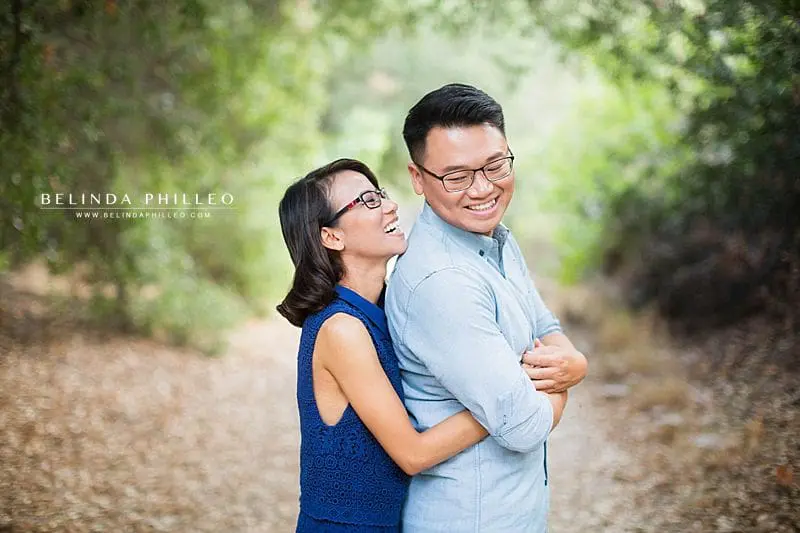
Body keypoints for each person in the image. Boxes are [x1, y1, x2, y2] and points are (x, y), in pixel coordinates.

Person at [385, 83, 588, 532]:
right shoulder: (442, 282)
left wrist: (574, 363)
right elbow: (524, 426)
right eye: (456, 177)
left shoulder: (494, 237)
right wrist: (564, 381)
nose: (483, 189)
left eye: (495, 166)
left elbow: (544, 323)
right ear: (417, 178)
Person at [276, 158, 489, 532]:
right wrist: (506, 400)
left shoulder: (385, 309)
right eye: (369, 201)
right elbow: (413, 454)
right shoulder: (342, 329)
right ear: (331, 237)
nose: (390, 206)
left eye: (382, 195)